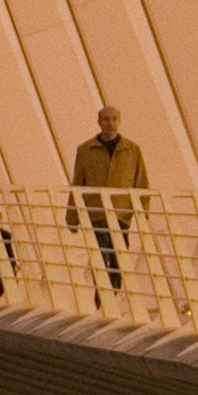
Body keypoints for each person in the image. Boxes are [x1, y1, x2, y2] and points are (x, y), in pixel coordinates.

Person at [71, 106, 148, 301]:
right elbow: (78, 183)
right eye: (106, 119)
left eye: (114, 119)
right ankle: (103, 298)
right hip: (96, 212)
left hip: (121, 214)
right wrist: (72, 217)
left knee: (118, 259)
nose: (110, 123)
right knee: (101, 256)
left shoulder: (132, 150)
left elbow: (141, 182)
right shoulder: (85, 150)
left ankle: (111, 295)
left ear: (119, 121)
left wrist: (143, 211)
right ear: (99, 122)